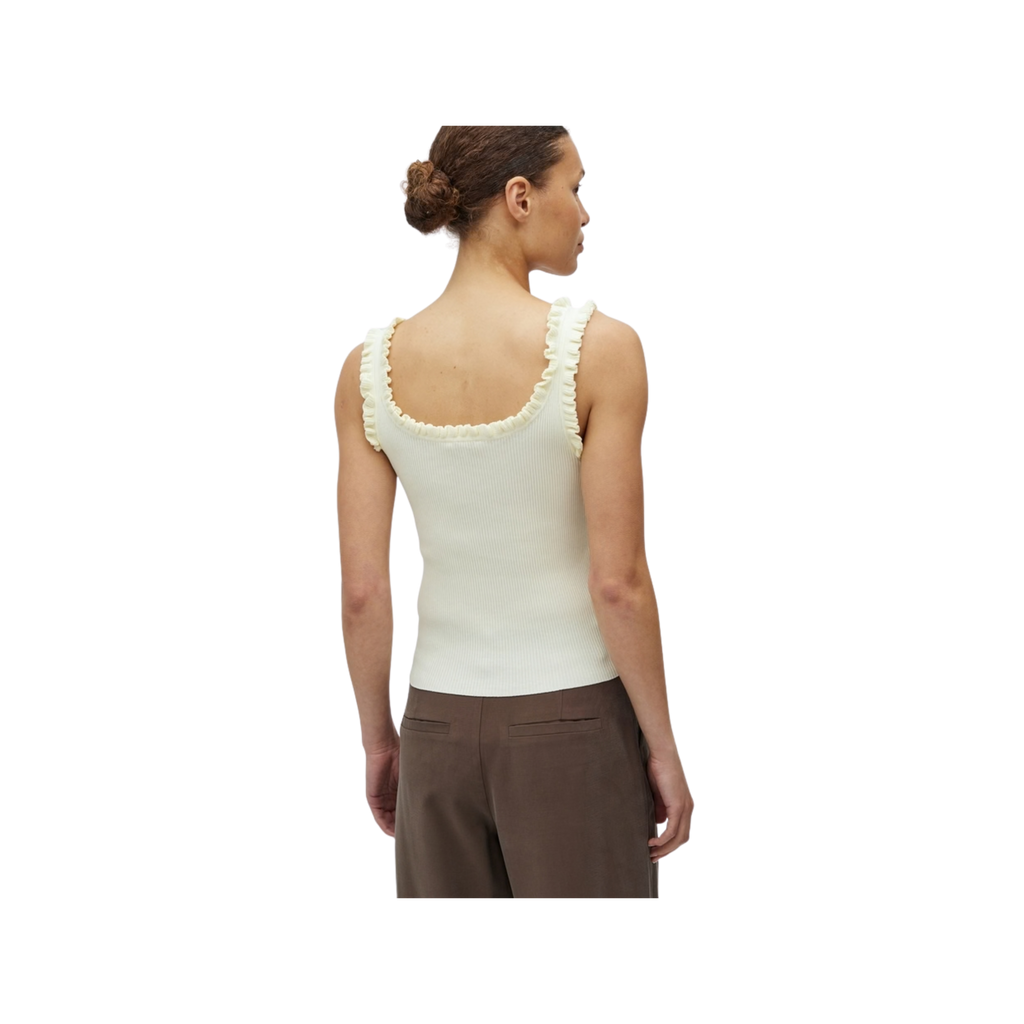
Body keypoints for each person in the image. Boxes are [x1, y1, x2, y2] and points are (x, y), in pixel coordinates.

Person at [333, 123, 695, 901]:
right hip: (575, 728)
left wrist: (379, 741)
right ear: (520, 197)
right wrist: (663, 746)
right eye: (577, 186)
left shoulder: (366, 369)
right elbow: (619, 584)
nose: (587, 211)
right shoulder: (602, 350)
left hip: (434, 729)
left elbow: (362, 591)